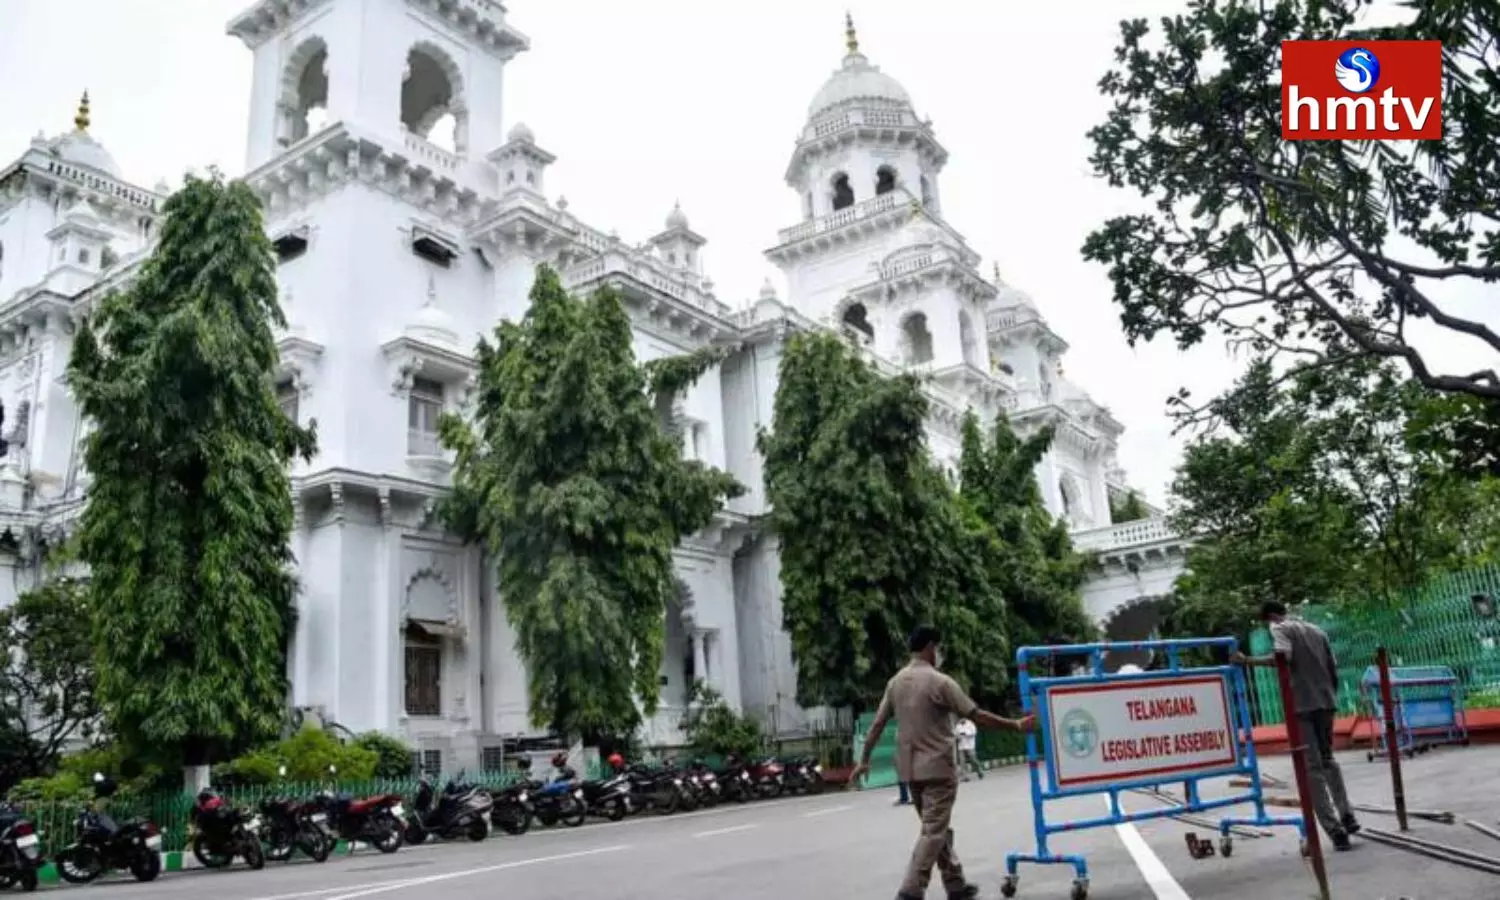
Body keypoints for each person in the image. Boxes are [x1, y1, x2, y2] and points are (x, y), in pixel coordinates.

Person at [854, 625, 1035, 900]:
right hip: (938, 768)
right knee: (933, 832)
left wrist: (864, 759)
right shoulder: (941, 682)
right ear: (929, 647)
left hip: (910, 771)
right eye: (938, 648)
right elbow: (977, 715)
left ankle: (955, 884)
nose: (939, 654)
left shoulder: (895, 683)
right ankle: (911, 890)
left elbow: (878, 724)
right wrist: (1015, 725)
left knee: (936, 829)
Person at [1232, 601, 1360, 850]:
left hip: (1302, 705)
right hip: (1325, 701)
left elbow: (1283, 657)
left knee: (1311, 769)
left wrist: (1247, 660)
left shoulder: (1279, 629)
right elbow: (1333, 668)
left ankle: (1335, 831)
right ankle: (1347, 815)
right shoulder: (1316, 630)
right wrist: (1330, 697)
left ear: (1270, 618)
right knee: (1328, 760)